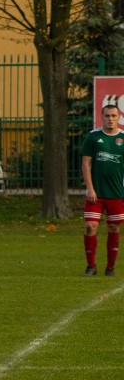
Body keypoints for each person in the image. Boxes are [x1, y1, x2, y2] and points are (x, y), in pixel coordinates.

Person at [81, 104, 124, 277]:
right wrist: (90, 188)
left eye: (113, 115)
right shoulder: (93, 137)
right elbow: (85, 163)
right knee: (90, 227)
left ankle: (110, 267)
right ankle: (91, 266)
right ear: (101, 116)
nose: (110, 119)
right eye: (107, 116)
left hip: (116, 193)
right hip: (96, 194)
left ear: (118, 117)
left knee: (114, 228)